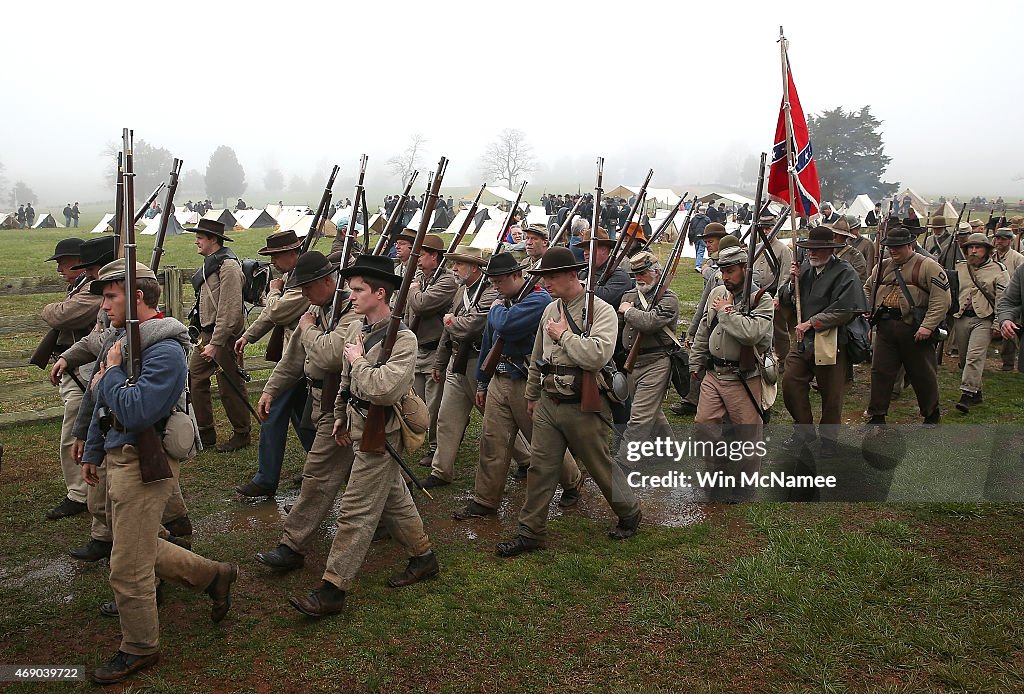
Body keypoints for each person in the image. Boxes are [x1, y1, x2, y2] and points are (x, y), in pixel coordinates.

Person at [82, 259, 237, 685]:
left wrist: (112, 374)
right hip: (117, 454)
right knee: (138, 544)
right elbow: (101, 407)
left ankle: (139, 646)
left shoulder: (165, 349)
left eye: (111, 296)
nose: (104, 305)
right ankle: (213, 575)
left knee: (127, 563)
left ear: (136, 299)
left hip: (143, 461)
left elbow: (136, 410)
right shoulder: (121, 342)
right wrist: (93, 451)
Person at [288, 254, 437, 618]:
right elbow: (344, 380)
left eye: (358, 290)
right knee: (394, 500)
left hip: (382, 433)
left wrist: (358, 361)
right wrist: (339, 415)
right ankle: (424, 557)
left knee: (355, 510)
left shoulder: (403, 339)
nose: (350, 295)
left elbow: (384, 389)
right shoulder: (358, 330)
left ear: (381, 293)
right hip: (356, 425)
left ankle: (333, 588)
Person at [495, 247, 642, 557]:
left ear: (573, 275)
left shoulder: (600, 310)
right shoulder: (550, 310)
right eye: (543, 277)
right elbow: (537, 357)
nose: (546, 283)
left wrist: (564, 336)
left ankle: (629, 512)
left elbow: (598, 356)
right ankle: (530, 531)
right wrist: (532, 394)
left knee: (599, 464)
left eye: (552, 276)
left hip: (582, 403)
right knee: (540, 468)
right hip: (550, 400)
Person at [454, 252, 583, 520]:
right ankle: (485, 500)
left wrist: (497, 309)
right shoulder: (505, 301)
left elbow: (507, 325)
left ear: (516, 276)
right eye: (493, 282)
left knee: (542, 443)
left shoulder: (537, 299)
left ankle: (572, 481)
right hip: (499, 379)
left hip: (526, 381)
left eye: (500, 280)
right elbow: (490, 342)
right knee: (492, 441)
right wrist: (482, 381)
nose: (496, 286)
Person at [255, 251, 362, 571]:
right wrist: (271, 389)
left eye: (307, 287)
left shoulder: (351, 312)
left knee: (317, 474)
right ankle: (418, 548)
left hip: (350, 406)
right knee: (376, 477)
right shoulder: (316, 309)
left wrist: (308, 328)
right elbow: (293, 357)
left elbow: (331, 356)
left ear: (328, 282)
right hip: (329, 404)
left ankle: (292, 545)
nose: (302, 294)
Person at [424, 246, 530, 487]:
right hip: (456, 360)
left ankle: (527, 458)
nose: (453, 269)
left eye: (458, 264)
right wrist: (440, 361)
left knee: (495, 419)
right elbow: (449, 329)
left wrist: (453, 323)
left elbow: (473, 326)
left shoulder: (490, 292)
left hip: (477, 360)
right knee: (446, 418)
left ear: (473, 268)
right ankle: (441, 471)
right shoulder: (461, 291)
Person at [688, 245, 774, 499]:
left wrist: (727, 310)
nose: (726, 276)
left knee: (748, 434)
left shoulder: (762, 299)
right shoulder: (717, 292)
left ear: (745, 270)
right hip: (715, 373)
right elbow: (705, 328)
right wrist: (696, 360)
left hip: (743, 377)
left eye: (731, 271)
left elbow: (752, 334)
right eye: (723, 271)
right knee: (705, 425)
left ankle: (745, 485)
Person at [233, 231, 314, 497]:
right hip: (297, 358)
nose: (275, 262)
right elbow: (273, 313)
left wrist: (273, 292)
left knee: (271, 412)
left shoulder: (304, 281)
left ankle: (266, 479)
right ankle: (319, 467)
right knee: (302, 419)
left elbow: (277, 311)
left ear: (293, 253)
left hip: (302, 358)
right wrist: (248, 335)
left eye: (277, 255)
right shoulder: (294, 277)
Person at [779, 226, 866, 456]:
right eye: (809, 249)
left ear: (830, 249)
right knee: (790, 382)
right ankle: (804, 430)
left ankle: (829, 441)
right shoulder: (804, 269)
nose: (812, 254)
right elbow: (786, 298)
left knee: (831, 393)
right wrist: (791, 282)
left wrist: (813, 322)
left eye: (817, 250)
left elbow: (846, 309)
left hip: (832, 340)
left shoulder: (845, 272)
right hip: (803, 340)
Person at [864, 226, 951, 427]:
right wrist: (868, 307)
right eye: (890, 247)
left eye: (898, 247)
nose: (893, 251)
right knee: (880, 372)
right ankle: (877, 414)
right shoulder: (882, 267)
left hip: (914, 327)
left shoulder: (928, 266)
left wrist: (928, 326)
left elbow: (941, 299)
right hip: (885, 326)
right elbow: (868, 288)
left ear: (910, 245)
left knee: (923, 373)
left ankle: (931, 413)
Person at [41, 237, 99, 520]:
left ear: (79, 262)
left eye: (63, 264)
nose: (60, 270)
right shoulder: (79, 287)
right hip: (78, 366)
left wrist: (48, 310)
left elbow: (65, 315)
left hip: (85, 369)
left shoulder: (90, 289)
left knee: (75, 433)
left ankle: (79, 493)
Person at [186, 219, 251, 452]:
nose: (196, 241)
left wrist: (216, 342)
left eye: (200, 237)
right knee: (195, 377)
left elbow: (230, 310)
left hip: (224, 336)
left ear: (213, 240)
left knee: (230, 384)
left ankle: (242, 433)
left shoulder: (229, 267)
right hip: (208, 333)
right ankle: (205, 432)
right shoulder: (211, 265)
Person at [615, 252, 680, 468]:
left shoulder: (669, 299)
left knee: (640, 415)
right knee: (651, 410)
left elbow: (650, 323)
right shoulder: (629, 296)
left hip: (657, 362)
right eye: (636, 275)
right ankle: (670, 449)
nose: (639, 278)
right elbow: (620, 329)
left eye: (643, 273)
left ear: (657, 273)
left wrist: (629, 311)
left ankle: (624, 462)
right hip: (633, 364)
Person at [405, 234, 458, 467]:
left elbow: (421, 304)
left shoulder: (446, 281)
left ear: (434, 256)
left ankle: (437, 447)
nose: (417, 259)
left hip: (437, 350)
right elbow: (409, 312)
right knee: (417, 402)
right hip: (418, 349)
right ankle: (423, 440)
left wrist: (413, 289)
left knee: (435, 405)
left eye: (422, 255)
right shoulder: (420, 278)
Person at [951, 234, 1009, 413]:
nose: (973, 251)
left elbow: (1003, 299)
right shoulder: (959, 267)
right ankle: (977, 392)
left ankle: (966, 394)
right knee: (963, 359)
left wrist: (998, 323)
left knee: (974, 357)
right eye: (970, 248)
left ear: (987, 250)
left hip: (984, 319)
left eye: (978, 248)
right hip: (961, 317)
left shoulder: (999, 270)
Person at [751, 214, 795, 375]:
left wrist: (777, 298)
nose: (766, 230)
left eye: (769, 227)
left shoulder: (783, 250)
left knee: (779, 330)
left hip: (774, 294)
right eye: (763, 227)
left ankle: (783, 359)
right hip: (757, 294)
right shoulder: (756, 248)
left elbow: (784, 276)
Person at [992, 228, 1023, 371]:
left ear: (1010, 241)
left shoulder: (1017, 259)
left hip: (1014, 297)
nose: (999, 241)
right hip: (993, 298)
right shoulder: (991, 256)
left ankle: (1008, 362)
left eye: (1003, 239)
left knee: (1010, 332)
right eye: (997, 238)